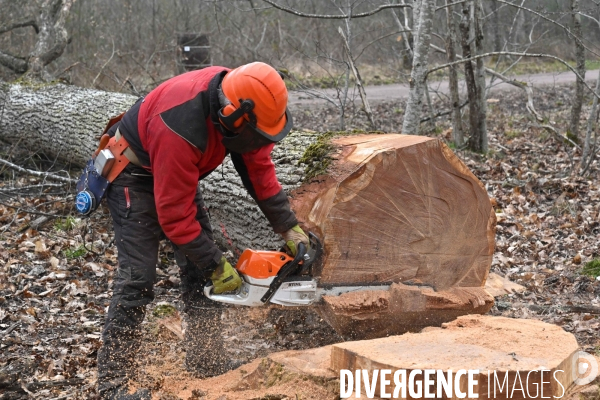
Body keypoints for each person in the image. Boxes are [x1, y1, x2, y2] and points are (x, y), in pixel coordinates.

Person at [96, 62, 309, 400]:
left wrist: (289, 227)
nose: (257, 142)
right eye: (254, 136)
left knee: (199, 269)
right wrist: (217, 265)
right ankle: (111, 385)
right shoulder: (180, 126)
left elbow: (259, 170)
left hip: (177, 170)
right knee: (137, 276)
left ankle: (205, 358)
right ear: (232, 117)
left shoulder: (243, 95)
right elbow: (175, 218)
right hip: (133, 174)